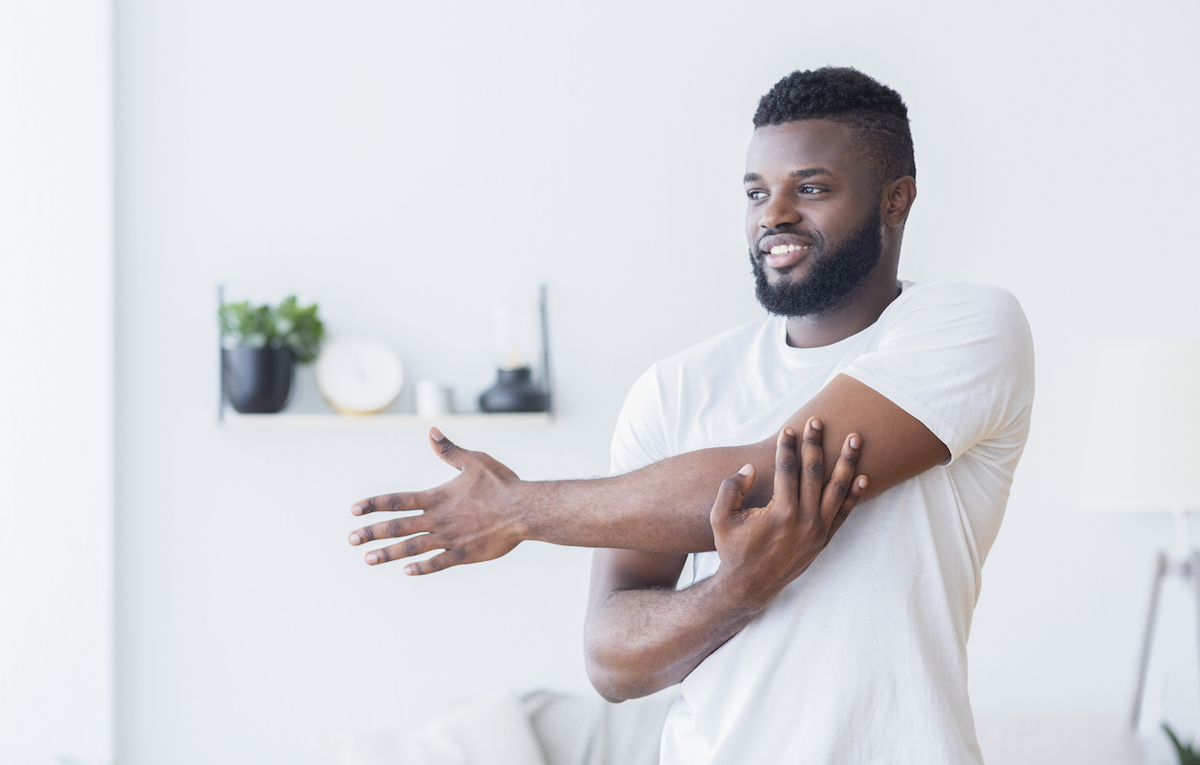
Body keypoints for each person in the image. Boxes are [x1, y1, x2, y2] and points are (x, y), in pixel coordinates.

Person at [348, 67, 1035, 764]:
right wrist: (737, 590)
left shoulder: (969, 327)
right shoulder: (677, 388)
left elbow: (775, 477)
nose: (774, 215)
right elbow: (614, 661)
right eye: (756, 193)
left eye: (812, 187)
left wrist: (519, 508)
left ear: (896, 199)